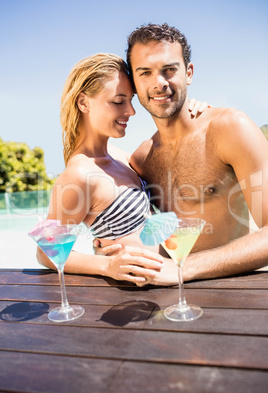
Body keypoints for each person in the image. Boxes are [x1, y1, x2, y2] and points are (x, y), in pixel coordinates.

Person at [37, 53, 207, 285]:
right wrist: (105, 265)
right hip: (134, 293)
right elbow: (47, 252)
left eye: (130, 100)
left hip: (172, 278)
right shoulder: (79, 175)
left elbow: (176, 156)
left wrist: (194, 114)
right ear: (83, 102)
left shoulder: (120, 157)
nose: (131, 111)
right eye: (118, 101)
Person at [124, 23, 268, 284]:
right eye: (145, 72)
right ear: (134, 83)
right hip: (174, 297)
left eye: (169, 69)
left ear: (188, 73)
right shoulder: (142, 159)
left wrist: (183, 269)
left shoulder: (230, 128)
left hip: (240, 292)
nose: (159, 83)